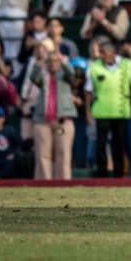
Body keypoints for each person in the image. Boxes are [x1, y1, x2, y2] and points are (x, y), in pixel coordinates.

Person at [27, 41, 77, 180]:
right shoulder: (43, 76)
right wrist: (41, 61)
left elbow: (73, 77)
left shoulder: (64, 75)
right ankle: (44, 184)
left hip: (63, 118)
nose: (52, 64)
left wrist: (62, 60)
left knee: (64, 153)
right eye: (50, 61)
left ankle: (64, 183)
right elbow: (33, 78)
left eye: (55, 61)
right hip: (43, 118)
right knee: (43, 155)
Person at [85, 39, 131, 177]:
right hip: (102, 111)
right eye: (101, 53)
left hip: (120, 111)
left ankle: (118, 173)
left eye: (105, 52)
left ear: (113, 53)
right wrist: (88, 111)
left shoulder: (126, 65)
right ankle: (102, 173)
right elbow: (88, 91)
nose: (103, 56)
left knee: (119, 144)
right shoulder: (94, 67)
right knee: (101, 144)